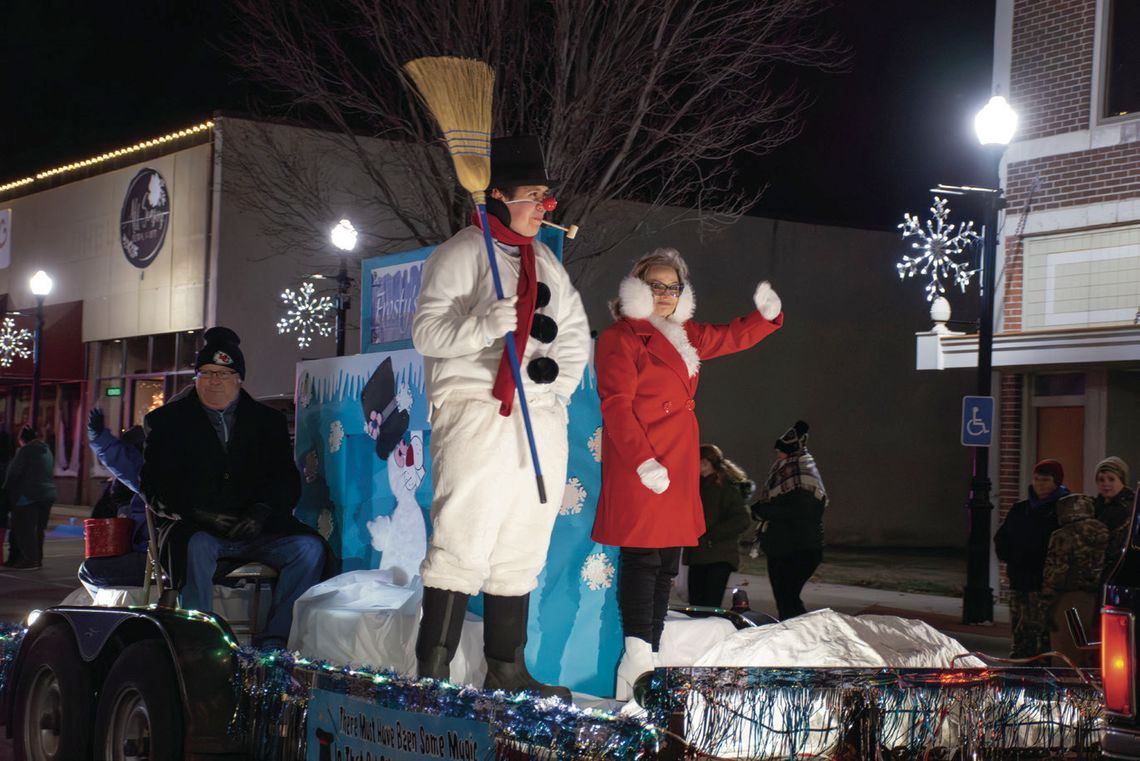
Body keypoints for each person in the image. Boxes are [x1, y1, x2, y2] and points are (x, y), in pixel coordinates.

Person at [411, 136, 590, 699]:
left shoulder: (549, 266)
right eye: (532, 196)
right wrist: (485, 325)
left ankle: (505, 668)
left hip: (538, 419)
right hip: (478, 411)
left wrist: (553, 393)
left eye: (546, 197)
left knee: (523, 540)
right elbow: (426, 332)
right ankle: (433, 673)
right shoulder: (463, 251)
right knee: (463, 533)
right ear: (498, 197)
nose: (543, 207)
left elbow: (577, 336)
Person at [591, 247, 783, 700]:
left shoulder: (684, 334)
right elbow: (615, 405)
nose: (664, 294)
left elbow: (729, 337)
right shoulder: (622, 337)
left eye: (672, 287)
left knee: (664, 566)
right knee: (643, 559)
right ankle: (636, 658)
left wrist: (763, 317)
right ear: (637, 286)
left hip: (675, 465)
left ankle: (649, 653)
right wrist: (641, 459)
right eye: (656, 285)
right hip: (644, 464)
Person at [140, 326, 327, 649]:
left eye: (224, 374)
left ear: (239, 379)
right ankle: (200, 640)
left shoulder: (267, 421)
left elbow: (285, 478)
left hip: (258, 529)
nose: (215, 381)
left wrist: (262, 511)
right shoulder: (168, 422)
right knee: (195, 547)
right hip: (199, 529)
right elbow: (154, 486)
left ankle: (274, 643)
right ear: (196, 378)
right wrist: (198, 514)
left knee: (309, 549)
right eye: (207, 373)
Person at [750, 421, 827, 621]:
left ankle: (803, 635)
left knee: (788, 598)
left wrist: (763, 510)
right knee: (786, 598)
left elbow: (799, 510)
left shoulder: (801, 473)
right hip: (783, 547)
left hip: (797, 548)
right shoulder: (786, 473)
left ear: (790, 452)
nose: (777, 456)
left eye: (779, 452)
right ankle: (796, 634)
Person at [994, 458, 1069, 659]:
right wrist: (1011, 558)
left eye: (1045, 480)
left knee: (1040, 633)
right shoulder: (1021, 509)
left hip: (1043, 583)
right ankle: (1020, 670)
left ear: (1056, 482)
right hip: (1020, 580)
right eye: (1036, 479)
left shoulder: (1061, 511)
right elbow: (1002, 537)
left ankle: (1039, 672)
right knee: (1020, 629)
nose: (1039, 484)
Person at [78, 411, 149, 593]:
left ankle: (104, 613)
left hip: (160, 557)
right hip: (167, 552)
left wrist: (100, 437)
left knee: (88, 571)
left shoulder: (160, 470)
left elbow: (127, 464)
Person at [1040, 493, 1108, 667]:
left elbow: (1056, 572)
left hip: (1068, 599)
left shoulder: (1062, 535)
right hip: (1096, 598)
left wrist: (1047, 602)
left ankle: (1067, 689)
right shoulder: (1103, 531)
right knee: (1087, 649)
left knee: (1065, 652)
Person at [683, 444, 753, 608]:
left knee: (708, 605)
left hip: (717, 555)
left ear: (706, 462)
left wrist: (710, 535)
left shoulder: (727, 488)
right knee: (697, 604)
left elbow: (742, 519)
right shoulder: (698, 485)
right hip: (700, 553)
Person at [2, 426, 58, 570]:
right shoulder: (46, 450)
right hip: (47, 494)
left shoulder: (25, 451)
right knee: (39, 529)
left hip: (27, 496)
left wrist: (6, 490)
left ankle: (29, 560)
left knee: (23, 529)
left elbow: (14, 472)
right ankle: (37, 559)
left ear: (21, 440)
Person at [1094, 456, 1134, 582]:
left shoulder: (1127, 509)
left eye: (1111, 479)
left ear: (1122, 481)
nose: (1106, 484)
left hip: (1117, 574)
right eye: (1101, 479)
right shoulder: (1095, 506)